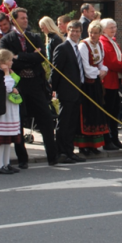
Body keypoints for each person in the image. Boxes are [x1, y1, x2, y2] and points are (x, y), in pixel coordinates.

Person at [0, 8, 60, 165]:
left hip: (35, 83)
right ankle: (22, 158)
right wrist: (29, 57)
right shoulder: (6, 40)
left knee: (46, 118)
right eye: (22, 18)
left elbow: (41, 57)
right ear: (14, 20)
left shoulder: (34, 37)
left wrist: (20, 56)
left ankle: (53, 157)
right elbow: (10, 60)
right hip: (19, 85)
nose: (26, 20)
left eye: (27, 18)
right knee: (19, 120)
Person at [53, 20, 88, 164]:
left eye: (78, 31)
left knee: (72, 123)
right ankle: (61, 152)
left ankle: (69, 151)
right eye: (72, 31)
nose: (75, 34)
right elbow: (56, 71)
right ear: (67, 31)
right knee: (64, 123)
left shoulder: (76, 48)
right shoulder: (63, 48)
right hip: (66, 92)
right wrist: (53, 89)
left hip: (77, 92)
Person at [0, 49, 28, 173]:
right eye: (9, 60)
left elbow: (12, 87)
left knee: (7, 139)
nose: (12, 62)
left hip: (10, 110)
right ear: (3, 62)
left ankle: (6, 163)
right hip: (2, 112)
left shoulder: (10, 74)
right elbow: (8, 88)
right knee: (1, 140)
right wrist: (6, 73)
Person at [76, 21, 111, 154]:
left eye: (96, 33)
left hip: (96, 83)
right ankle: (83, 145)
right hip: (86, 85)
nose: (92, 35)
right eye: (91, 32)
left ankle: (93, 144)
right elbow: (86, 68)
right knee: (86, 114)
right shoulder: (83, 45)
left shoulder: (100, 45)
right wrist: (99, 72)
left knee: (96, 114)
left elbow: (101, 63)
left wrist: (104, 70)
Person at [99, 19, 122, 151]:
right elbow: (112, 62)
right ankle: (107, 140)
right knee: (108, 113)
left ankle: (115, 139)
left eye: (114, 27)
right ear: (103, 29)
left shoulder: (112, 41)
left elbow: (119, 58)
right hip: (108, 82)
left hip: (115, 81)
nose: (113, 29)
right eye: (110, 27)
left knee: (115, 111)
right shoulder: (104, 42)